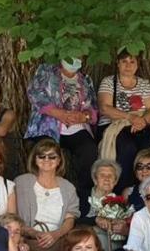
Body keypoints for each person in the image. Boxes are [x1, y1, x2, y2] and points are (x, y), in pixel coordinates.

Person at [25, 57, 99, 201]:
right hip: (48, 126)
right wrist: (60, 114)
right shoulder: (46, 71)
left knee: (89, 150)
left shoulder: (85, 80)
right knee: (47, 152)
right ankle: (45, 198)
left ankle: (84, 201)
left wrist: (84, 117)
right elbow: (35, 94)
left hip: (76, 128)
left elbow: (94, 108)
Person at [14, 138, 80, 251]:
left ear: (59, 160)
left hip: (58, 239)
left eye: (52, 156)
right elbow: (13, 215)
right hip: (29, 239)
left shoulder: (68, 187)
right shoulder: (22, 182)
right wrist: (34, 233)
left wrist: (55, 234)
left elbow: (70, 219)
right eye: (41, 156)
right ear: (35, 159)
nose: (47, 160)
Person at [97, 49, 150, 190]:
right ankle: (123, 189)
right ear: (118, 64)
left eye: (132, 61)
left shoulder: (143, 84)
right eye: (124, 61)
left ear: (137, 65)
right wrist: (130, 117)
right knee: (127, 148)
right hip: (114, 125)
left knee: (148, 147)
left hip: (140, 124)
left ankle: (148, 188)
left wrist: (142, 121)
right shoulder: (109, 82)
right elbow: (104, 108)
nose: (128, 65)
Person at [84, 159, 131, 251]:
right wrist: (96, 220)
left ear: (115, 181)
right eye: (102, 175)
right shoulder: (82, 196)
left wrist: (123, 228)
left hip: (109, 243)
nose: (106, 179)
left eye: (110, 176)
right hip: (83, 238)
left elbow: (127, 229)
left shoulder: (120, 201)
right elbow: (74, 220)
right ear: (95, 179)